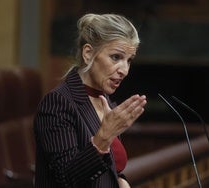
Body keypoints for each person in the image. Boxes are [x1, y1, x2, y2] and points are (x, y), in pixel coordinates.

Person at [33, 13, 147, 188]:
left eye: (129, 60)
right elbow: (66, 178)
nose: (124, 70)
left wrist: (121, 180)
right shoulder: (58, 102)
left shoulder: (105, 100)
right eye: (116, 57)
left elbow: (108, 167)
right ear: (88, 53)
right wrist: (104, 136)